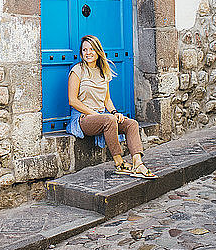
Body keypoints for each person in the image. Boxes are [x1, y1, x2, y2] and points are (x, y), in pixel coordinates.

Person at [66, 34, 157, 177]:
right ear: (81, 52)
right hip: (83, 118)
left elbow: (106, 99)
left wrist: (115, 112)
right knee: (108, 120)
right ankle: (119, 162)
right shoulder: (77, 71)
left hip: (103, 116)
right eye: (84, 50)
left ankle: (138, 163)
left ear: (98, 51)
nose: (88, 53)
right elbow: (73, 100)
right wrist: (95, 114)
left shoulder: (103, 71)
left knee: (131, 124)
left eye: (91, 49)